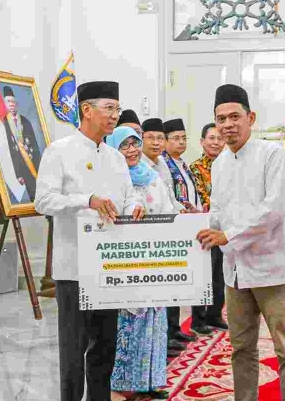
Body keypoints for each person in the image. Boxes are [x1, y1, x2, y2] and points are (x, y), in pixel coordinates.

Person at [34, 81, 146, 401]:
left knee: (104, 348)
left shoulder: (115, 157)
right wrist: (86, 200)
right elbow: (44, 201)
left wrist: (134, 206)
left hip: (108, 266)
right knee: (73, 350)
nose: (115, 116)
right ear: (87, 110)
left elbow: (128, 195)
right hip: (74, 268)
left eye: (117, 110)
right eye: (109, 108)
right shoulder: (59, 152)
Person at [196, 84, 285, 401]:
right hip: (236, 273)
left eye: (234, 117)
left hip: (273, 270)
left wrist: (228, 235)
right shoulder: (219, 164)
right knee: (241, 348)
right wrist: (188, 225)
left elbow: (274, 211)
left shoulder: (274, 156)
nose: (227, 125)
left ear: (250, 117)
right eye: (220, 119)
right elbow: (217, 212)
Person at [106, 126, 179, 400]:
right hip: (127, 263)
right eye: (124, 146)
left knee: (155, 320)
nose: (132, 150)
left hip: (155, 259)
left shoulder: (152, 177)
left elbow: (169, 210)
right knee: (131, 321)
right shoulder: (114, 179)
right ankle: (125, 386)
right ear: (114, 149)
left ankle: (151, 381)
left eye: (135, 144)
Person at [162, 118, 213, 339]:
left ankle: (184, 326)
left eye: (184, 138)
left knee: (192, 277)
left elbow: (193, 193)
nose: (181, 142)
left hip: (192, 221)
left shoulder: (181, 163)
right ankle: (172, 329)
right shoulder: (164, 164)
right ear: (165, 141)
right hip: (177, 225)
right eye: (176, 138)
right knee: (175, 279)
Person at [189, 123, 228, 333]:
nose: (215, 142)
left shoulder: (230, 166)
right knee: (204, 272)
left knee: (220, 274)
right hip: (204, 226)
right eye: (211, 138)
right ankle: (199, 319)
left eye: (219, 138)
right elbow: (203, 198)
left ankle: (215, 315)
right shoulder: (195, 168)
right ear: (202, 142)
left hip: (227, 228)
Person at [2, 85, 42, 201]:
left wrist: (39, 170)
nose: (12, 104)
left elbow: (34, 147)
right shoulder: (3, 123)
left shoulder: (26, 121)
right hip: (18, 166)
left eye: (13, 102)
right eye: (8, 102)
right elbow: (7, 150)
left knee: (38, 197)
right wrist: (18, 174)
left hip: (32, 165)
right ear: (5, 104)